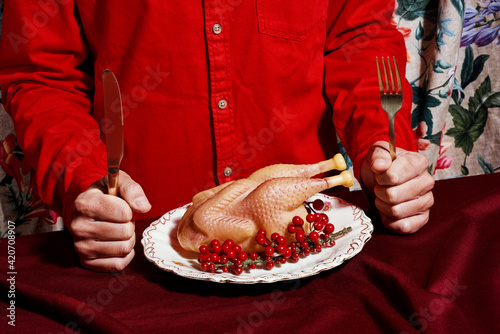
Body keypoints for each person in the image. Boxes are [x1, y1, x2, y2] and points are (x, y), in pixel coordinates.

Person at [0, 1, 434, 272]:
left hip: (308, 245)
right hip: (140, 253)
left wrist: (383, 144)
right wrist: (83, 177)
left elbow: (360, 38)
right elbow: (42, 77)